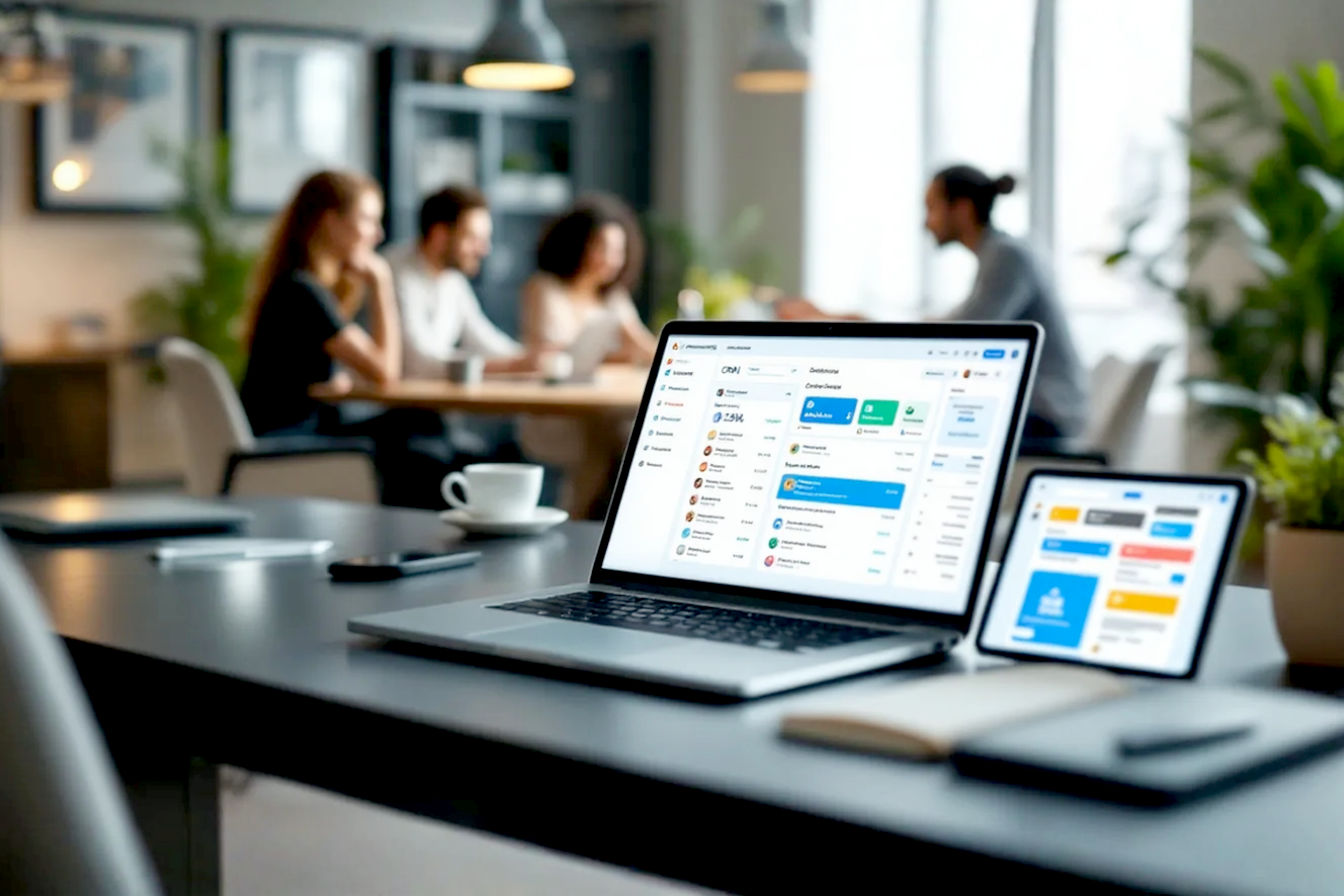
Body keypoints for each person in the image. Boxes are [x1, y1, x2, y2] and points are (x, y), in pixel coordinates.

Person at [777, 164, 1087, 439]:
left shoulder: (1007, 257)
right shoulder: (998, 253)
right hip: (1031, 407)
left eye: (932, 207)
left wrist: (857, 322)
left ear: (962, 209)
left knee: (902, 421)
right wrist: (853, 320)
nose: (926, 223)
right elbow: (954, 325)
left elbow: (963, 337)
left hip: (1045, 414)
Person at [238, 170, 445, 507]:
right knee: (420, 442)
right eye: (367, 220)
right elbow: (385, 371)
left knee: (422, 424)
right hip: (287, 440)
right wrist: (381, 283)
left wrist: (332, 379)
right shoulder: (304, 291)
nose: (378, 234)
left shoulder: (300, 288)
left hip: (295, 430)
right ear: (331, 222)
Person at [517, 195, 657, 518]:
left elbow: (639, 350)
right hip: (557, 414)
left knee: (635, 429)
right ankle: (584, 518)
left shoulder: (614, 298)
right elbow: (552, 359)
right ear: (577, 245)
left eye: (618, 251)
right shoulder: (545, 289)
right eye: (602, 248)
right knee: (622, 433)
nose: (611, 259)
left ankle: (610, 521)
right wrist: (622, 353)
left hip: (600, 412)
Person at [383, 185, 533, 378]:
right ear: (440, 235)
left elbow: (481, 337)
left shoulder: (452, 278)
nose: (484, 250)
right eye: (473, 238)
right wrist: (512, 366)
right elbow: (421, 363)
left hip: (425, 401)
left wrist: (529, 358)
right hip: (381, 404)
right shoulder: (394, 271)